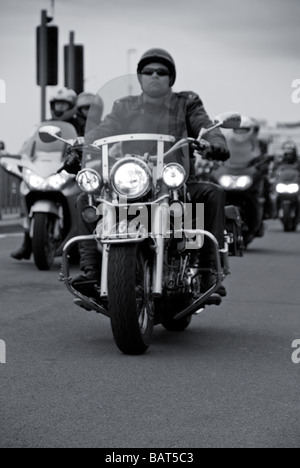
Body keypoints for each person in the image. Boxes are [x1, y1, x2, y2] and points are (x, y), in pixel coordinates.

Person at [69, 48, 230, 299]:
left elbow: (205, 126)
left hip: (174, 179)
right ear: (140, 77)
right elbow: (103, 129)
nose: (155, 75)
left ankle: (207, 270)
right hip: (133, 179)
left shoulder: (186, 103)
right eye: (148, 71)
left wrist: (214, 141)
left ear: (171, 78)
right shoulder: (124, 106)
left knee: (212, 193)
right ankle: (91, 270)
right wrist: (80, 145)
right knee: (86, 198)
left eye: (162, 72)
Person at [11, 87, 79, 261]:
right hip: (47, 170)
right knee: (25, 187)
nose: (59, 108)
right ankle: (28, 243)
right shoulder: (44, 126)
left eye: (63, 104)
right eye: (56, 104)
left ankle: (87, 246)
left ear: (71, 106)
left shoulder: (80, 125)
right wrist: (23, 157)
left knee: (85, 198)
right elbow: (30, 145)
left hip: (71, 170)